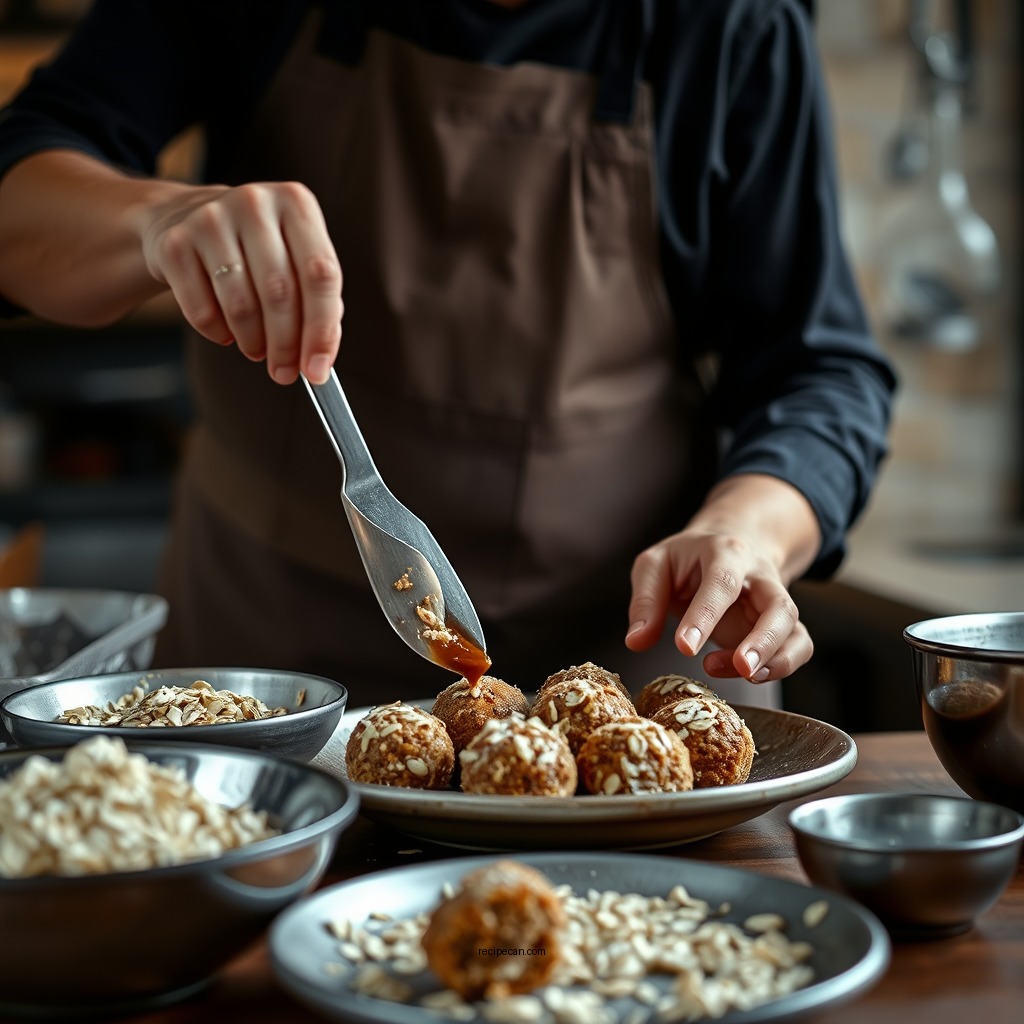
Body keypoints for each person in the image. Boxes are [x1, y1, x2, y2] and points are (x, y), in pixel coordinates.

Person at [0, 0, 896, 708]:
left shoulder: (733, 24)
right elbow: (18, 200)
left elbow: (821, 371)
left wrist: (749, 529)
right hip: (266, 676)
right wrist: (153, 220)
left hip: (627, 683)